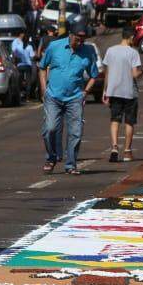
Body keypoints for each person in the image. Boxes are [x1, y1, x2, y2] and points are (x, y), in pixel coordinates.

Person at [38, 19, 99, 176]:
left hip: (75, 98)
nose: (79, 43)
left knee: (76, 132)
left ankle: (71, 164)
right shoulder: (55, 47)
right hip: (53, 96)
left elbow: (94, 75)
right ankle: (51, 157)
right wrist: (44, 88)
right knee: (50, 128)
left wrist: (86, 92)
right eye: (77, 39)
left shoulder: (88, 52)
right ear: (70, 35)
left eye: (83, 40)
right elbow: (42, 67)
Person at [101, 26, 143, 162]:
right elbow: (135, 74)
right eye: (134, 38)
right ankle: (127, 152)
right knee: (129, 122)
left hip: (114, 91)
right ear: (130, 38)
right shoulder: (133, 52)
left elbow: (108, 72)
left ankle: (114, 148)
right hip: (129, 92)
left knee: (115, 120)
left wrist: (105, 91)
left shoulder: (110, 51)